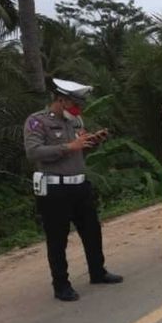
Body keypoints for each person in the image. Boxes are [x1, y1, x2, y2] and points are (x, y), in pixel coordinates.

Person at [24, 78, 122, 302]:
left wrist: (92, 141)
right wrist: (69, 146)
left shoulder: (75, 121)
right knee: (58, 239)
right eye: (75, 104)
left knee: (92, 231)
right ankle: (61, 284)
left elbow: (80, 149)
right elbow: (33, 152)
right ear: (61, 100)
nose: (79, 109)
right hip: (54, 189)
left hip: (80, 185)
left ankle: (98, 272)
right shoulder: (37, 122)